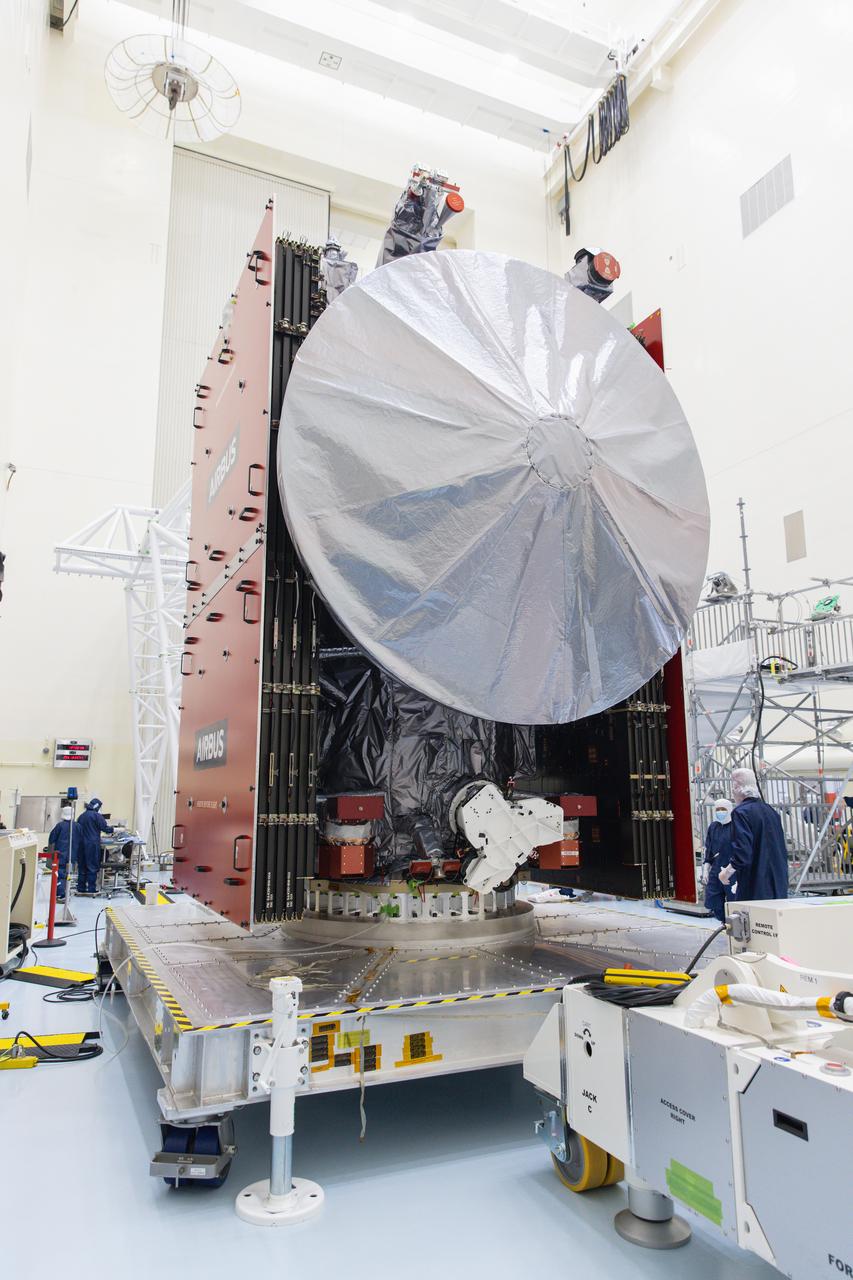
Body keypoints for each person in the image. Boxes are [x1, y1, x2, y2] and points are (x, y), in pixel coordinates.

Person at [719, 768, 788, 902]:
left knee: (754, 921)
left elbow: (743, 852)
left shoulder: (741, 812)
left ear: (737, 788)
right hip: (778, 883)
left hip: (756, 885)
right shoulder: (770, 811)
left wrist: (726, 873)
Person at [700, 797, 736, 922]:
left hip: (732, 870)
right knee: (714, 900)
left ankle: (736, 927)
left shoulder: (736, 827)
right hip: (716, 870)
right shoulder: (713, 827)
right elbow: (709, 851)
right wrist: (705, 870)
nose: (720, 812)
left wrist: (730, 869)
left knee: (734, 901)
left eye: (723, 809)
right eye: (718, 809)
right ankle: (724, 923)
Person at [75, 796, 113, 896]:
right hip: (92, 845)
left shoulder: (81, 816)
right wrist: (115, 830)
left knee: (82, 866)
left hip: (81, 845)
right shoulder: (97, 816)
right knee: (92, 866)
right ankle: (91, 889)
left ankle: (81, 888)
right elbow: (105, 828)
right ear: (97, 807)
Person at [47, 805, 78, 902]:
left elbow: (52, 838)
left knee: (59, 874)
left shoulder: (59, 826)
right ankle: (65, 893)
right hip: (72, 854)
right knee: (67, 872)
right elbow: (80, 840)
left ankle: (61, 894)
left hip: (60, 854)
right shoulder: (77, 826)